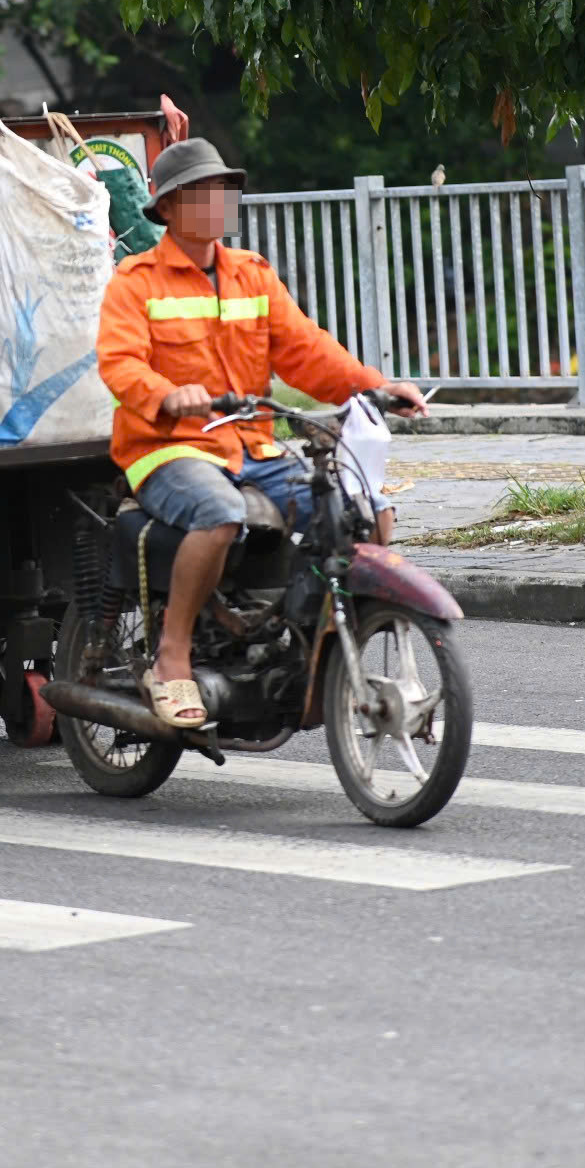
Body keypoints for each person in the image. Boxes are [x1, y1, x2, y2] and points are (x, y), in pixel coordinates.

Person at [95, 139, 428, 729]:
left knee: (360, 510)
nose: (219, 201)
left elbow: (307, 352)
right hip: (170, 447)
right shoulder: (137, 280)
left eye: (223, 190)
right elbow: (120, 363)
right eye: (204, 191)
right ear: (169, 207)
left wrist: (374, 387)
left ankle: (310, 642)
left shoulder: (251, 274)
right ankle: (172, 657)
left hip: (253, 444)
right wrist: (168, 394)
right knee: (220, 514)